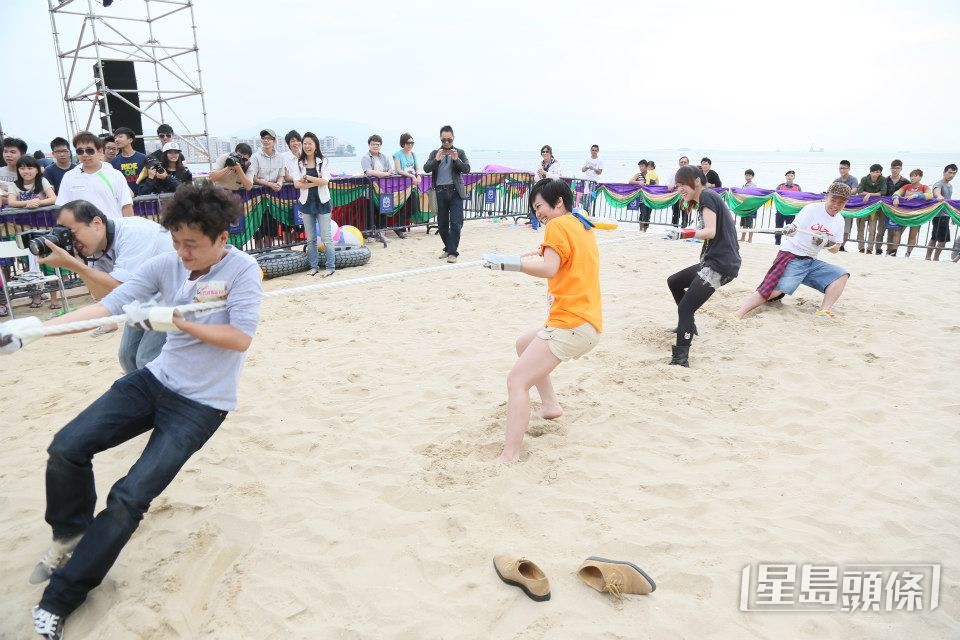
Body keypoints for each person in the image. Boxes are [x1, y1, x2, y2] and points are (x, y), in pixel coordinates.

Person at [1, 183, 262, 640]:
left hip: (201, 406)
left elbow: (241, 338)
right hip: (154, 382)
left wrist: (177, 319)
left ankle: (60, 599)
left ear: (222, 237)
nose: (181, 252)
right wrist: (37, 330)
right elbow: (108, 306)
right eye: (176, 240)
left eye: (192, 245)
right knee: (67, 446)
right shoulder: (165, 263)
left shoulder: (243, 271)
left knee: (128, 499)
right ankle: (71, 534)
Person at [480, 179, 601, 463]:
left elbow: (549, 267)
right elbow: (558, 261)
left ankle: (509, 454)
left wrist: (508, 265)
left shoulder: (557, 226)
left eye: (540, 207)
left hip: (571, 324)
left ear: (558, 202)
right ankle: (550, 405)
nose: (538, 215)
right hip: (587, 323)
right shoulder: (581, 224)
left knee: (516, 381)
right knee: (524, 343)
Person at [36, 199, 175, 371]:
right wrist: (78, 264)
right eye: (65, 236)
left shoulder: (134, 232)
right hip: (147, 299)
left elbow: (122, 290)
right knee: (127, 357)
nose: (71, 241)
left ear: (96, 223)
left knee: (147, 359)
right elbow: (103, 296)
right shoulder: (95, 248)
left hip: (175, 292)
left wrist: (72, 264)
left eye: (72, 232)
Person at [736, 182, 852, 320]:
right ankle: (739, 313)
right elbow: (793, 230)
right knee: (773, 290)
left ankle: (824, 311)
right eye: (833, 200)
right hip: (792, 255)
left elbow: (836, 248)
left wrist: (825, 243)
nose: (836, 205)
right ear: (826, 197)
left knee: (841, 275)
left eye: (841, 202)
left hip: (810, 260)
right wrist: (789, 229)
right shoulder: (812, 209)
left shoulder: (839, 220)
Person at [665, 166, 740, 367]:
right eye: (678, 185)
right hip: (712, 261)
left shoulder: (707, 196)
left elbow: (710, 232)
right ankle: (688, 327)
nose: (680, 189)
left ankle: (681, 360)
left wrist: (683, 234)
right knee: (674, 281)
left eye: (682, 185)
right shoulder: (706, 199)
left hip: (720, 265)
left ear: (696, 181)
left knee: (686, 308)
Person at [6, 156, 59, 309]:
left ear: (37, 169)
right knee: (31, 266)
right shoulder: (14, 185)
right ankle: (36, 299)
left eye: (29, 168)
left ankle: (54, 300)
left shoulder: (42, 181)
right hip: (24, 230)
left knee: (50, 263)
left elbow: (53, 198)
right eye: (22, 168)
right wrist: (27, 203)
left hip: (44, 228)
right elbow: (11, 202)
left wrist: (39, 203)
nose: (26, 171)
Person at [55, 131, 133, 220]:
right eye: (80, 151)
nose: (84, 154)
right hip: (82, 232)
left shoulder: (115, 175)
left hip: (112, 230)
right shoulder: (69, 176)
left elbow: (126, 206)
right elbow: (62, 208)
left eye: (89, 150)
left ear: (99, 151)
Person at [423, 125, 470, 263]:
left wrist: (456, 159)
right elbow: (426, 168)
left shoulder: (460, 152)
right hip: (440, 192)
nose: (447, 142)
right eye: (444, 140)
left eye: (449, 139)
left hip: (456, 192)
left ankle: (453, 253)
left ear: (453, 137)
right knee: (442, 225)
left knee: (456, 224)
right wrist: (436, 160)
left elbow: (466, 169)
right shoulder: (434, 153)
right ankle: (449, 248)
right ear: (440, 139)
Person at [294, 132, 335, 277]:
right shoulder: (298, 163)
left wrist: (307, 178)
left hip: (322, 202)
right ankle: (314, 267)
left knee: (326, 238)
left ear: (315, 145)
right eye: (304, 143)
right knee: (310, 239)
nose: (307, 146)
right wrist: (314, 182)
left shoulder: (323, 161)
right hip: (306, 203)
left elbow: (325, 181)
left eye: (310, 143)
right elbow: (297, 184)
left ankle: (330, 267)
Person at [248, 129, 289, 249]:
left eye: (269, 138)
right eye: (264, 138)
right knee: (258, 227)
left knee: (271, 227)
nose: (266, 140)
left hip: (273, 198)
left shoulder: (280, 157)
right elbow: (254, 177)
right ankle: (259, 254)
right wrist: (270, 184)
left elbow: (281, 174)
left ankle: (269, 253)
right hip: (258, 198)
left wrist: (280, 183)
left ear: (274, 141)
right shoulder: (255, 157)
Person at [360, 133, 401, 242]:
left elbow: (390, 170)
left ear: (380, 145)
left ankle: (381, 233)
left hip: (384, 190)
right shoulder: (365, 157)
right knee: (370, 212)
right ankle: (369, 235)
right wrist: (385, 174)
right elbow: (369, 172)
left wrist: (387, 173)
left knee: (383, 211)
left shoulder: (384, 157)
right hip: (370, 190)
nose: (375, 146)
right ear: (369, 145)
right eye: (373, 144)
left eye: (378, 144)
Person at [891, 169, 932, 258]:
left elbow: (930, 195)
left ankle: (908, 253)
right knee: (897, 232)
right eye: (911, 176)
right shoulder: (907, 186)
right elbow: (897, 192)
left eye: (915, 175)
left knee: (913, 235)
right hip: (904, 213)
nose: (912, 177)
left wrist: (916, 195)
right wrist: (896, 197)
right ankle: (894, 251)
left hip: (917, 214)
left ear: (920, 177)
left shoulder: (924, 187)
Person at [392, 133, 421, 234]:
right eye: (408, 143)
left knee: (413, 206)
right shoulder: (397, 154)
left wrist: (418, 175)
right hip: (400, 185)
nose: (410, 145)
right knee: (402, 206)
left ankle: (402, 226)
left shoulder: (413, 154)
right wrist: (412, 176)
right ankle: (400, 227)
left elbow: (416, 168)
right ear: (403, 143)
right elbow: (399, 170)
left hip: (411, 185)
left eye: (412, 143)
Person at [856, 164, 886, 254]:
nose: (875, 174)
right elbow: (859, 191)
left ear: (880, 173)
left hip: (875, 208)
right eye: (873, 171)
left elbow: (883, 192)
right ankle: (861, 248)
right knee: (860, 228)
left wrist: (869, 194)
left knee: (872, 229)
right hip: (863, 207)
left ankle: (869, 249)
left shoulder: (883, 179)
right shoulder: (864, 179)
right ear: (870, 172)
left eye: (877, 172)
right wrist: (870, 194)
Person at [928, 164, 956, 261]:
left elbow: (949, 201)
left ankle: (928, 258)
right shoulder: (939, 184)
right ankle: (935, 259)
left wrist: (952, 216)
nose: (951, 175)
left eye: (954, 173)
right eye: (949, 172)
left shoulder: (950, 186)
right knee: (942, 240)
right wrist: (938, 196)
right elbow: (936, 192)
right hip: (939, 215)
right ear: (944, 172)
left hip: (945, 215)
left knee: (934, 237)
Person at [531, 145, 562, 230]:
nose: (545, 153)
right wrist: (540, 175)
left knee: (551, 207)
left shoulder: (555, 164)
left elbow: (556, 177)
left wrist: (545, 173)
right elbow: (535, 178)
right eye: (543, 152)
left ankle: (552, 225)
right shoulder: (540, 164)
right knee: (535, 205)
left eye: (547, 151)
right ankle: (534, 226)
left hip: (552, 189)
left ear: (550, 153)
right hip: (541, 188)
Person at [883, 160, 910, 256]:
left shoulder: (906, 182)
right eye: (893, 168)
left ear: (901, 169)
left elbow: (908, 193)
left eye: (897, 168)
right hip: (886, 208)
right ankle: (888, 251)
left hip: (900, 210)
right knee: (889, 231)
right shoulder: (885, 180)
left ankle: (893, 251)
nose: (895, 170)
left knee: (898, 231)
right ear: (890, 169)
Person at [110, 127, 147, 193]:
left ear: (130, 140)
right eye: (115, 138)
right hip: (124, 199)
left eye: (120, 137)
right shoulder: (114, 162)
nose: (116, 140)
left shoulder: (143, 158)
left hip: (143, 198)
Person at [832, 160, 858, 251]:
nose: (842, 170)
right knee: (834, 225)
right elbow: (830, 191)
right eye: (840, 168)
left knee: (847, 228)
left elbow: (855, 190)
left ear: (849, 169)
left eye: (844, 168)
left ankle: (842, 246)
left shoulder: (853, 179)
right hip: (836, 208)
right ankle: (833, 244)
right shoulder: (837, 181)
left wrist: (844, 194)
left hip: (849, 208)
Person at [629, 160, 652, 232]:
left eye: (642, 166)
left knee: (648, 214)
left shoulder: (651, 174)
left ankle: (645, 230)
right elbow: (630, 181)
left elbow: (656, 183)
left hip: (650, 198)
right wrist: (638, 182)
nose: (641, 168)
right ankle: (640, 229)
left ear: (646, 166)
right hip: (642, 199)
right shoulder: (638, 175)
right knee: (643, 213)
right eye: (640, 166)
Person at [581, 144, 603, 211]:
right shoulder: (587, 159)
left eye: (595, 150)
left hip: (593, 181)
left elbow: (600, 172)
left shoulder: (600, 160)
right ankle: (585, 211)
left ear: (598, 151)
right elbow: (582, 170)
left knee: (589, 197)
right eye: (592, 150)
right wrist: (587, 167)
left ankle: (586, 211)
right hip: (586, 181)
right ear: (590, 150)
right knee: (585, 197)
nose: (594, 152)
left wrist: (594, 169)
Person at [670, 156, 691, 227]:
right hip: (676, 197)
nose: (683, 163)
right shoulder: (674, 172)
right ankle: (674, 230)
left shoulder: (691, 173)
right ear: (679, 163)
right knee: (675, 213)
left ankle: (684, 231)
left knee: (685, 213)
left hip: (686, 198)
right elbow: (668, 183)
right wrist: (671, 185)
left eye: (685, 162)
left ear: (688, 163)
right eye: (681, 162)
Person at [739, 169, 758, 243]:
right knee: (744, 223)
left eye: (749, 175)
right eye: (746, 175)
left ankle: (750, 239)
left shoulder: (753, 186)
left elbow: (754, 196)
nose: (747, 176)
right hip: (744, 206)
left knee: (750, 224)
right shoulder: (744, 185)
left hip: (750, 207)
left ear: (752, 176)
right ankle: (743, 237)